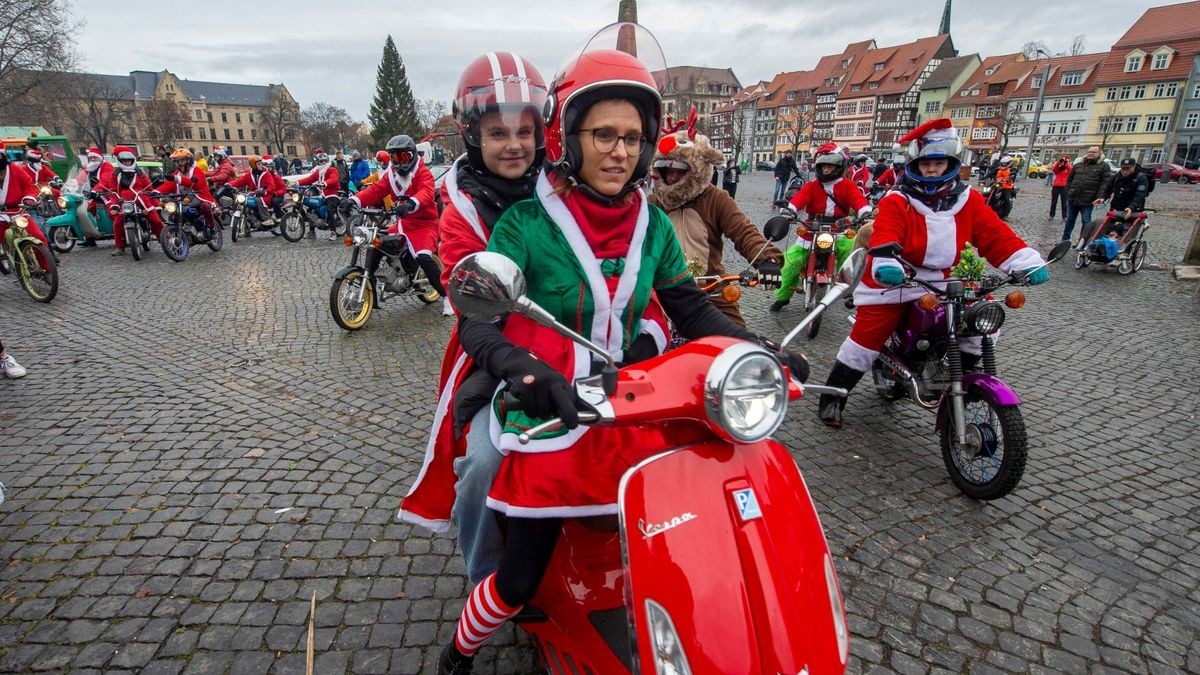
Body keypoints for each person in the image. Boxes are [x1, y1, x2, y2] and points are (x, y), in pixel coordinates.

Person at [435, 36, 809, 675]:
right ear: (571, 138)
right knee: (516, 577)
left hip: (631, 393)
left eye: (633, 138)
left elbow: (688, 306)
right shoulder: (524, 223)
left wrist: (761, 348)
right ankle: (461, 647)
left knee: (684, 522)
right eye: (603, 134)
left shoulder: (654, 223)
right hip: (549, 405)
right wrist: (526, 371)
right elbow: (482, 320)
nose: (620, 151)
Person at [398, 51, 555, 586]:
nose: (513, 144)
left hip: (570, 341)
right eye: (497, 133)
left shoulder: (562, 191)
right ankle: (487, 578)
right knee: (483, 464)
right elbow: (467, 301)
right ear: (473, 136)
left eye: (523, 131)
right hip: (493, 348)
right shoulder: (460, 210)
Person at [817, 118, 1048, 428]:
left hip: (948, 279)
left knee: (983, 326)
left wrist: (1023, 261)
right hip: (900, 278)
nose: (931, 170)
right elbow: (886, 232)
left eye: (938, 163)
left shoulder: (970, 200)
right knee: (866, 339)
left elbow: (995, 235)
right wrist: (887, 262)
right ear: (915, 164)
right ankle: (834, 396)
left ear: (950, 163)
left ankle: (951, 380)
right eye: (926, 163)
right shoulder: (898, 200)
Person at [650, 123, 783, 325]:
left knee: (740, 344)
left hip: (710, 287)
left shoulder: (716, 199)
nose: (673, 177)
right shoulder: (652, 204)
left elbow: (743, 231)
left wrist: (767, 259)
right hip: (663, 287)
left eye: (681, 170)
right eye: (667, 171)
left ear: (696, 170)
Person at [342, 134, 452, 315]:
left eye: (403, 157)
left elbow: (426, 192)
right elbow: (376, 190)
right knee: (375, 243)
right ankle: (371, 287)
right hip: (403, 223)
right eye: (394, 157)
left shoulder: (423, 172)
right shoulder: (391, 176)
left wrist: (411, 203)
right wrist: (354, 200)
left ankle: (446, 297)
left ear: (412, 155)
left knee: (423, 256)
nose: (399, 162)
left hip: (425, 224)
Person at [770, 142, 871, 313]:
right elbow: (799, 199)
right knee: (790, 261)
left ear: (838, 166)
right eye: (823, 166)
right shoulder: (812, 185)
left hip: (839, 229)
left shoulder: (847, 185)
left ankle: (848, 290)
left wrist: (865, 213)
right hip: (812, 229)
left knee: (853, 253)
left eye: (830, 166)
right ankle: (783, 296)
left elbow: (858, 201)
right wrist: (789, 211)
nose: (826, 170)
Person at [99, 146, 165, 255]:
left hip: (142, 200)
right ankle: (120, 246)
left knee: (155, 219)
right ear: (120, 161)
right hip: (125, 202)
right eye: (125, 161)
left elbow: (149, 188)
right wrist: (114, 205)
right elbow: (113, 191)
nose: (128, 163)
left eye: (129, 161)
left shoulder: (140, 173)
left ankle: (163, 238)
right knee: (118, 222)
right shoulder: (115, 174)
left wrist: (154, 200)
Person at [153, 148, 218, 239]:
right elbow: (169, 185)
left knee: (205, 206)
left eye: (182, 160)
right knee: (173, 213)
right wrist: (156, 191)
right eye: (177, 161)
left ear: (188, 160)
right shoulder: (177, 173)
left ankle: (212, 228)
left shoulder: (197, 170)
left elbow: (197, 184)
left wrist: (177, 179)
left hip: (199, 197)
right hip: (182, 199)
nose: (179, 163)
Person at [0, 141, 50, 248]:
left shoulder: (16, 169)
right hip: (0, 215)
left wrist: (29, 198)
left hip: (18, 212)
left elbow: (30, 186)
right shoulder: (24, 167)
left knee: (39, 236)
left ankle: (46, 264)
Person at [1088, 157, 1150, 243]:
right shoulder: (1117, 176)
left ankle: (1124, 247)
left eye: (1128, 169)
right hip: (1116, 208)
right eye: (1123, 168)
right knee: (1108, 229)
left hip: (1132, 211)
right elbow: (1108, 188)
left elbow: (1140, 195)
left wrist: (1131, 207)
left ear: (1133, 167)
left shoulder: (1141, 178)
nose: (1125, 171)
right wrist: (1103, 198)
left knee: (1127, 232)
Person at [1061, 146, 1111, 243]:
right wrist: (1069, 191)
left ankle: (1082, 241)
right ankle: (1064, 240)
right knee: (1070, 219)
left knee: (1086, 221)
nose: (1091, 153)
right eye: (1089, 152)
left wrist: (1100, 197)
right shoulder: (1079, 165)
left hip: (1088, 199)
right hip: (1073, 197)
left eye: (1094, 152)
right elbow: (1069, 179)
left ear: (1099, 154)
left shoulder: (1103, 166)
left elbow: (1104, 184)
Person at [226, 155, 286, 231]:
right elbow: (239, 181)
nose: (261, 165)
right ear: (253, 165)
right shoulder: (249, 175)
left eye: (261, 163)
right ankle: (247, 227)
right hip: (254, 194)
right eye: (259, 164)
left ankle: (267, 219)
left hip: (266, 195)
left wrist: (264, 192)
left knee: (259, 199)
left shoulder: (267, 174)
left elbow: (272, 186)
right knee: (245, 201)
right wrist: (229, 184)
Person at [295, 150, 342, 239]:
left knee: (329, 209)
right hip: (321, 194)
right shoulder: (318, 172)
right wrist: (298, 182)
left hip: (332, 193)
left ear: (327, 160)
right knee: (311, 209)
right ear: (318, 162)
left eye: (324, 160)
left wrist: (325, 183)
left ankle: (333, 232)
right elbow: (309, 179)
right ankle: (312, 232)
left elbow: (334, 179)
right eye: (320, 161)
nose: (323, 162)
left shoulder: (332, 170)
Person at [1049, 155, 1070, 220]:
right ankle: (1051, 215)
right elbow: (1054, 169)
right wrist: (1059, 162)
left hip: (1064, 187)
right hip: (1056, 186)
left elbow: (1070, 169)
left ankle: (1064, 216)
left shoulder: (1068, 169)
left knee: (1064, 202)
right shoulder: (1059, 169)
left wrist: (1066, 163)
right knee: (1053, 202)